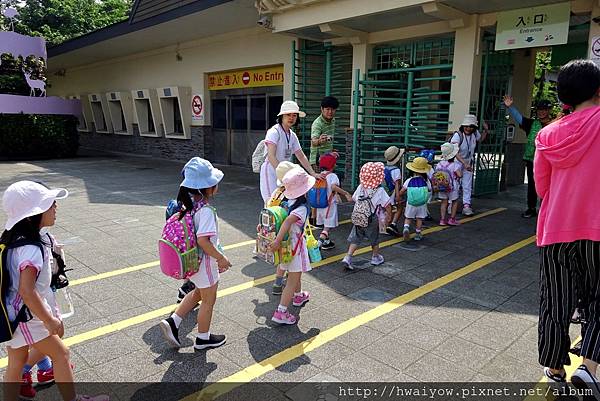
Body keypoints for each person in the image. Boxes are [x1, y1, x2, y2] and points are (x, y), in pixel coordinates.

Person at [2, 181, 108, 401]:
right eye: (49, 204)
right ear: (32, 215)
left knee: (17, 360)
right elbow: (27, 290)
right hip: (26, 316)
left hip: (14, 315)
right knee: (61, 354)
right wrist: (49, 319)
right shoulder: (30, 249)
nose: (55, 206)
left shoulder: (17, 240)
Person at [534, 59, 600, 394]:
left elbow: (542, 188)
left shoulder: (547, 134)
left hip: (556, 227)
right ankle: (589, 365)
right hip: (597, 228)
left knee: (555, 299)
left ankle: (555, 367)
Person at [160, 157, 231, 350]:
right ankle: (203, 338)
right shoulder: (206, 210)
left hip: (193, 262)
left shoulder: (187, 205)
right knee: (209, 300)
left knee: (198, 292)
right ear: (207, 188)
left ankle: (173, 321)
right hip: (205, 263)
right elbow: (203, 241)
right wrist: (221, 258)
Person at [269, 168, 314, 325]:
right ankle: (281, 311)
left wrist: (277, 241)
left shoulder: (286, 203)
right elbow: (288, 222)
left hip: (285, 246)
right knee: (292, 279)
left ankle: (299, 295)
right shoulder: (301, 208)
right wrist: (277, 241)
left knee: (295, 273)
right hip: (294, 246)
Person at [259, 100, 321, 204]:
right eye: (288, 115)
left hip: (284, 174)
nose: (291, 118)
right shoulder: (274, 132)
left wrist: (313, 173)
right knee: (271, 204)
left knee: (282, 204)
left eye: (294, 115)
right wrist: (282, 174)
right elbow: (271, 156)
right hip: (271, 171)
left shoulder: (292, 135)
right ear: (282, 116)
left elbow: (301, 156)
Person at [503, 95, 553, 218]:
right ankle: (531, 208)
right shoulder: (532, 124)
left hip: (549, 161)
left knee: (549, 185)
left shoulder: (555, 124)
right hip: (533, 160)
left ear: (549, 111)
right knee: (532, 184)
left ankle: (546, 210)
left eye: (544, 110)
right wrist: (510, 107)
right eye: (539, 110)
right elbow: (520, 119)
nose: (541, 112)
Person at [342, 162, 391, 270]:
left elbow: (354, 199)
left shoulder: (361, 187)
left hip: (358, 217)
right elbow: (387, 205)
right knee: (375, 238)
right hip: (372, 219)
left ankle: (348, 257)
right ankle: (375, 257)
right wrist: (389, 216)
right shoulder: (380, 190)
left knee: (356, 237)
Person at [267, 161, 300, 296]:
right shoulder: (291, 193)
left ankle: (277, 284)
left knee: (282, 260)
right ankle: (296, 292)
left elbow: (268, 207)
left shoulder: (276, 193)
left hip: (274, 231)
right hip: (288, 236)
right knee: (293, 265)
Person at [450, 114, 488, 216]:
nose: (468, 128)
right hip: (457, 163)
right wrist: (464, 163)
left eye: (470, 126)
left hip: (468, 162)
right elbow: (454, 151)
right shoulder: (458, 135)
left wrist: (486, 130)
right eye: (466, 126)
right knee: (455, 185)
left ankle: (466, 206)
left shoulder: (474, 134)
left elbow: (480, 139)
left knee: (467, 184)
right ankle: (451, 204)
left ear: (474, 127)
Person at [315, 153, 352, 250]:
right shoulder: (333, 176)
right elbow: (333, 187)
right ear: (332, 166)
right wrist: (345, 193)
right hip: (329, 205)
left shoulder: (319, 176)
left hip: (320, 205)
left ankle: (327, 242)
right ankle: (318, 244)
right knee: (327, 227)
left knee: (325, 224)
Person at [398, 157, 432, 241]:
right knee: (419, 218)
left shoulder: (409, 180)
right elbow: (430, 189)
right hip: (422, 204)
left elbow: (402, 190)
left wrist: (399, 196)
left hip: (411, 203)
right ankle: (417, 234)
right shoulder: (426, 180)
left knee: (408, 218)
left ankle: (406, 228)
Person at [436, 143, 463, 226]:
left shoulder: (439, 164)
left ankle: (442, 220)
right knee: (454, 201)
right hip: (452, 187)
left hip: (442, 186)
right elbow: (460, 175)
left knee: (444, 202)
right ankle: (452, 219)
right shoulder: (455, 165)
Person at [309, 96, 339, 170]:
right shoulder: (317, 123)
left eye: (333, 109)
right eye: (327, 109)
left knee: (330, 180)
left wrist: (331, 150)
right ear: (322, 109)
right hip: (317, 161)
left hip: (328, 158)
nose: (330, 112)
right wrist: (319, 141)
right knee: (320, 181)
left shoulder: (333, 121)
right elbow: (314, 141)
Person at [383, 146, 405, 237]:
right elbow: (397, 184)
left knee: (387, 209)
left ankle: (385, 226)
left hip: (385, 192)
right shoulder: (396, 170)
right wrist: (398, 195)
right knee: (399, 207)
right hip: (392, 192)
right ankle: (392, 224)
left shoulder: (385, 168)